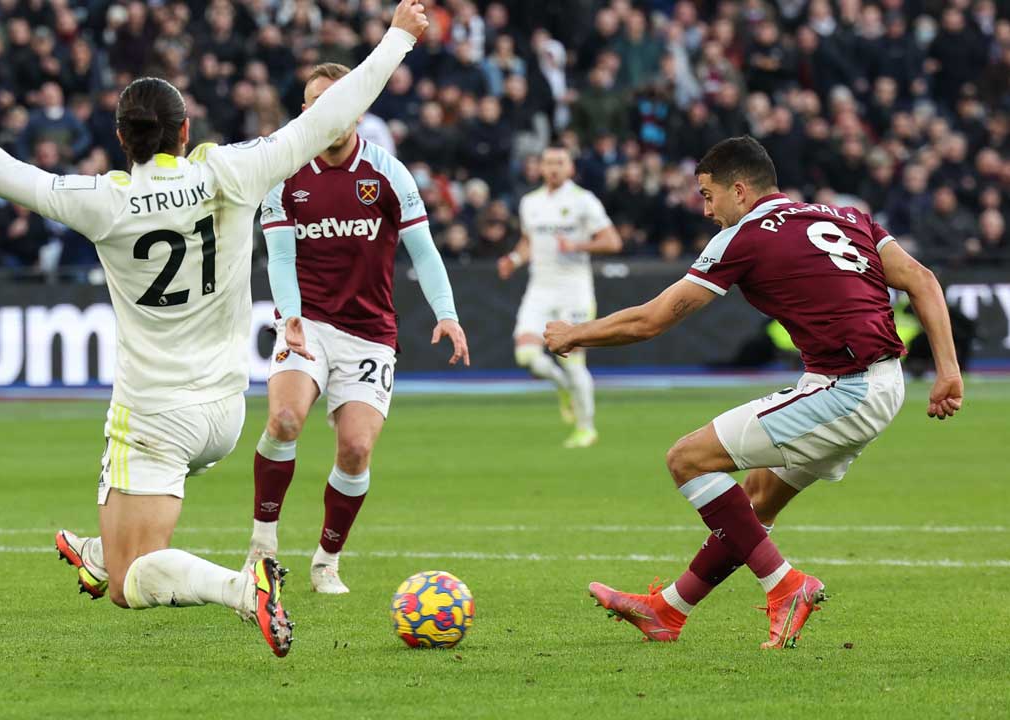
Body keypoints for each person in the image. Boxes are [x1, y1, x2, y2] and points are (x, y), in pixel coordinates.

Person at [0, 0, 430, 658]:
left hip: (153, 420)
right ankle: (99, 547)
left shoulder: (102, 199)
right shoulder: (233, 172)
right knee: (114, 556)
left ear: (122, 140)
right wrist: (396, 41)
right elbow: (327, 115)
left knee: (130, 583)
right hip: (225, 413)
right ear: (185, 133)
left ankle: (243, 589)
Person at [544, 136, 963, 648]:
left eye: (708, 195)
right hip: (878, 384)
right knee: (755, 502)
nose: (705, 209)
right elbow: (921, 279)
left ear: (739, 191)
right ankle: (667, 612)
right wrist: (948, 371)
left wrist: (575, 334)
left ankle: (786, 586)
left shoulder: (742, 236)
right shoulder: (847, 216)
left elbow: (653, 320)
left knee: (688, 459)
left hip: (846, 390)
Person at [246, 62, 470, 594]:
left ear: (359, 106)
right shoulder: (285, 173)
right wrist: (291, 314)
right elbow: (279, 257)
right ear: (306, 112)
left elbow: (424, 250)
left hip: (370, 333)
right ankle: (263, 541)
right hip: (308, 324)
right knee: (283, 418)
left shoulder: (389, 174)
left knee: (356, 450)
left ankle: (326, 561)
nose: (330, 110)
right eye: (318, 102)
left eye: (340, 99)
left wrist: (447, 312)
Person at [497, 145, 622, 448]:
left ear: (570, 168)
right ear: (540, 168)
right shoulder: (530, 202)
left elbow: (612, 241)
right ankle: (563, 387)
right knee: (526, 356)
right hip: (539, 288)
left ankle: (586, 428)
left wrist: (578, 246)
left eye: (559, 162)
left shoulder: (583, 201)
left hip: (574, 290)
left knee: (574, 361)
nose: (553, 168)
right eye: (548, 162)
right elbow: (529, 241)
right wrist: (514, 258)